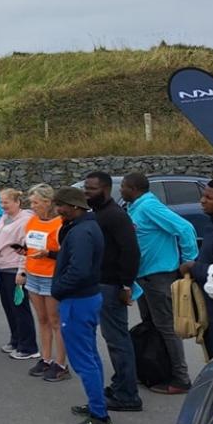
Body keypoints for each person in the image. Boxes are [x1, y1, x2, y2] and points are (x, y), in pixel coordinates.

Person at [121, 172, 198, 394]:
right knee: (151, 326)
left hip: (159, 276)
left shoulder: (148, 206)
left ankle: (181, 378)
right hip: (145, 277)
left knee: (166, 328)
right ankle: (157, 370)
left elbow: (184, 228)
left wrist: (187, 262)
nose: (122, 190)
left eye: (124, 186)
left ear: (133, 188)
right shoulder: (136, 207)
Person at [51, 187, 112, 424]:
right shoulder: (86, 227)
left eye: (62, 206)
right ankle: (97, 404)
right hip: (86, 298)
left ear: (75, 207)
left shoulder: (81, 232)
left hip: (77, 301)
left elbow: (79, 270)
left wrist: (58, 290)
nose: (58, 210)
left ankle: (100, 417)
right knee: (90, 355)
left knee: (83, 360)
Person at [83, 172, 143, 411]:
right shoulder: (98, 214)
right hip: (102, 283)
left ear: (106, 190)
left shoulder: (116, 216)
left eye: (91, 189)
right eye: (86, 188)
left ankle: (128, 395)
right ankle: (120, 385)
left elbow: (131, 252)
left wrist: (126, 284)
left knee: (118, 340)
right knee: (113, 339)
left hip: (112, 286)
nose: (86, 192)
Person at [19, 183, 70, 382]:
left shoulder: (60, 224)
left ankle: (61, 364)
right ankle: (46, 358)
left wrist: (49, 254)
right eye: (31, 202)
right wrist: (22, 262)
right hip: (33, 274)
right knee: (42, 319)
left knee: (55, 321)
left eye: (36, 202)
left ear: (48, 203)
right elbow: (27, 246)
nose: (32, 206)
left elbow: (67, 254)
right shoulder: (31, 222)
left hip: (51, 277)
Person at [0, 188, 39, 360]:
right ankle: (16, 339)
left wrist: (22, 271)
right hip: (2, 267)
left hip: (14, 270)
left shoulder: (26, 221)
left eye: (6, 202)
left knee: (20, 307)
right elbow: (0, 239)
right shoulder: (5, 217)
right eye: (1, 202)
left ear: (17, 202)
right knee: (9, 307)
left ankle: (29, 346)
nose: (3, 206)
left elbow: (26, 248)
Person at [180, 178, 213, 360]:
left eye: (209, 197)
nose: (202, 201)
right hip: (210, 312)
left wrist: (194, 267)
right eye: (203, 195)